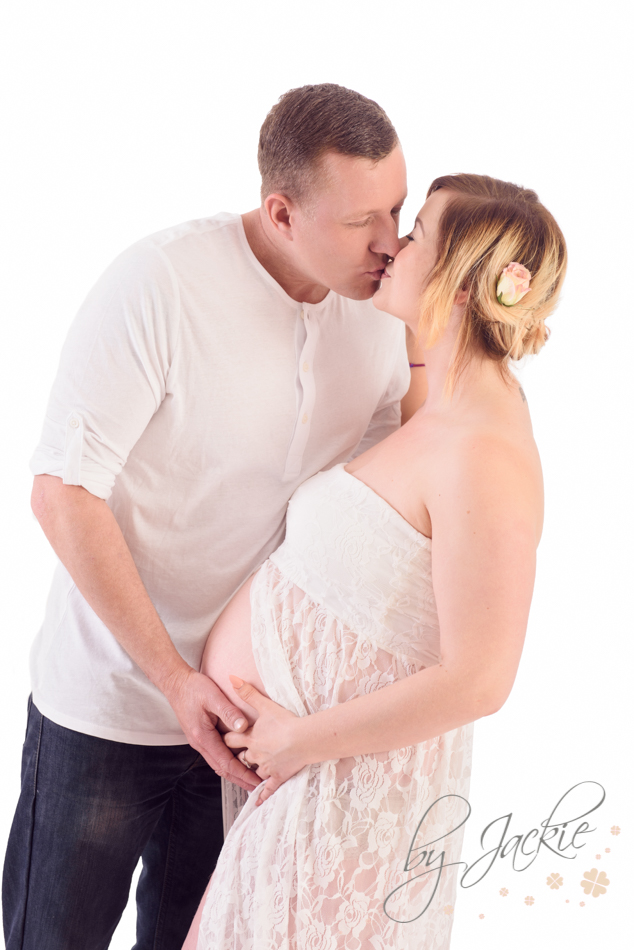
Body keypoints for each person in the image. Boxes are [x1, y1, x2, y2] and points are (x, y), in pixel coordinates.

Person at [1, 84, 420, 950]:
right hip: (108, 708)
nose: (390, 242)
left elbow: (381, 502)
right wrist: (173, 680)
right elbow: (61, 492)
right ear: (281, 213)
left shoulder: (384, 315)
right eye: (360, 221)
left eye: (398, 209)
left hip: (252, 725)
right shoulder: (159, 283)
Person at [182, 173, 567, 949]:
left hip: (342, 805)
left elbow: (481, 680)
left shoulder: (486, 453)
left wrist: (298, 740)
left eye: (416, 232)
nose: (393, 245)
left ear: (465, 283)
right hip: (306, 793)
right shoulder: (447, 407)